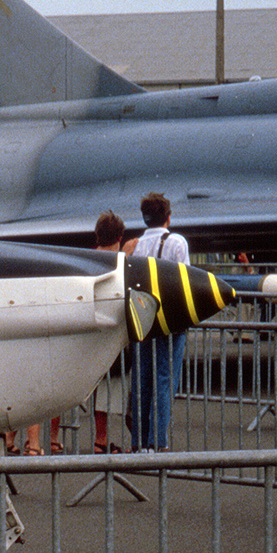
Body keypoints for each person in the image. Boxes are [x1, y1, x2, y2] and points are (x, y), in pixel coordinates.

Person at [127, 193, 189, 451]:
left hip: (144, 319)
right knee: (165, 379)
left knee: (142, 380)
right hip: (170, 320)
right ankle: (158, 442)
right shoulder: (176, 242)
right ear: (168, 216)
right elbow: (184, 280)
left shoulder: (136, 245)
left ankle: (138, 443)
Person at [90, 210, 127, 452]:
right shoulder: (123, 262)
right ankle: (104, 440)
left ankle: (99, 440)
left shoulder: (85, 259)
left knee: (92, 386)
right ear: (120, 237)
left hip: (91, 331)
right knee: (115, 386)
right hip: (115, 332)